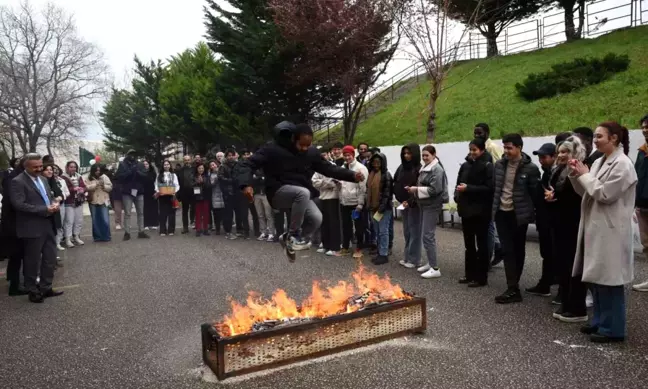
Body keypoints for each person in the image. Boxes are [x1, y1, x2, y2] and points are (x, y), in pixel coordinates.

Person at [238, 122, 363, 260]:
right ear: (293, 139)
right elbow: (247, 164)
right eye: (301, 145)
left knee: (317, 219)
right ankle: (294, 235)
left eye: (307, 145)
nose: (304, 148)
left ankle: (288, 241)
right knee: (303, 193)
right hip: (277, 192)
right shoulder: (272, 149)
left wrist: (352, 175)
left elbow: (329, 169)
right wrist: (245, 184)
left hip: (300, 194)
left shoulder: (311, 153)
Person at [569, 121, 636, 343]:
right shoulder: (599, 161)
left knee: (609, 280)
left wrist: (586, 176)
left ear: (614, 138)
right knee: (596, 279)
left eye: (599, 136)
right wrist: (576, 174)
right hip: (595, 227)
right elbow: (586, 191)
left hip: (611, 230)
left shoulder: (623, 164)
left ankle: (613, 328)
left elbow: (605, 194)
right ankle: (599, 320)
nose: (595, 140)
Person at [491, 133, 540, 304]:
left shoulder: (530, 168)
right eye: (504, 147)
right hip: (501, 213)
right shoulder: (499, 165)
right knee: (507, 250)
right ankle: (512, 287)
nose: (506, 151)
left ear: (519, 147)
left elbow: (535, 195)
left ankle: (514, 285)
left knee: (518, 250)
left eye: (509, 148)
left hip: (519, 216)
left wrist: (535, 216)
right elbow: (495, 189)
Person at [544, 136, 587, 322]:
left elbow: (579, 196)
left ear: (575, 153)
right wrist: (553, 196)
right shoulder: (558, 170)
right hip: (559, 222)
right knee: (562, 263)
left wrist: (557, 197)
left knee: (573, 265)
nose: (561, 155)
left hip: (573, 223)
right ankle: (566, 301)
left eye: (566, 152)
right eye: (559, 151)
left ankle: (576, 306)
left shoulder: (578, 170)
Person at [10, 154, 63, 303]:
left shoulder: (44, 179)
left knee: (50, 258)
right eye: (36, 167)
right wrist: (44, 209)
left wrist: (54, 204)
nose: (40, 169)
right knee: (32, 261)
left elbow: (49, 196)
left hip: (47, 223)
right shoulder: (18, 182)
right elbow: (19, 205)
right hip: (31, 226)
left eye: (41, 166)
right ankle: (32, 290)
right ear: (26, 166)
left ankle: (46, 287)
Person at [455, 138, 494, 287]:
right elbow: (459, 183)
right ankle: (469, 274)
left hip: (481, 211)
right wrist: (457, 196)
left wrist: (468, 188)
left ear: (482, 150)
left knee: (482, 245)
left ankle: (481, 277)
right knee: (469, 245)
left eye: (475, 150)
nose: (472, 152)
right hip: (466, 210)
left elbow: (489, 188)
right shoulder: (465, 166)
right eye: (470, 149)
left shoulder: (488, 166)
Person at [407, 145, 449, 279]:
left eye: (427, 155)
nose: (424, 158)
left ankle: (435, 268)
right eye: (423, 155)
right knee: (427, 236)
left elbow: (434, 190)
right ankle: (431, 263)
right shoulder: (426, 167)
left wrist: (415, 190)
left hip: (432, 205)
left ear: (434, 155)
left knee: (428, 236)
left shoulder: (437, 169)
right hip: (425, 204)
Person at [526, 143, 557, 298]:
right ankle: (545, 283)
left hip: (554, 222)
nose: (541, 161)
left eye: (544, 157)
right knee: (547, 254)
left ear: (554, 156)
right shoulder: (545, 173)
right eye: (539, 157)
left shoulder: (556, 174)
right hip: (544, 220)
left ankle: (556, 288)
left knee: (556, 255)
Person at [473, 122, 504, 267]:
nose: (477, 136)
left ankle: (489, 256)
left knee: (490, 226)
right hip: (480, 192)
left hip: (491, 191)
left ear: (487, 133)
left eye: (480, 133)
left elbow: (499, 167)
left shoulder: (492, 148)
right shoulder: (477, 148)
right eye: (475, 133)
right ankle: (496, 248)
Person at [394, 143, 422, 268]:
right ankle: (407, 257)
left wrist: (410, 201)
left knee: (415, 231)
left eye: (409, 153)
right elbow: (396, 182)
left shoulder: (419, 168)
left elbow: (419, 187)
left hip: (414, 204)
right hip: (403, 204)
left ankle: (414, 259)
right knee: (407, 231)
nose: (406, 156)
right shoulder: (401, 167)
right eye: (404, 153)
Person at [1, 157, 26, 296]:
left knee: (14, 256)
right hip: (14, 223)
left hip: (11, 222)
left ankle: (12, 279)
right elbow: (15, 203)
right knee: (17, 255)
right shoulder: (15, 180)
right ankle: (15, 287)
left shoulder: (12, 177)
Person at [339, 145, 369, 258]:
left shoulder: (361, 168)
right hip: (344, 202)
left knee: (359, 226)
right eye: (345, 155)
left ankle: (359, 248)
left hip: (356, 203)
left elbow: (363, 188)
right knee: (346, 226)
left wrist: (360, 204)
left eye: (349, 155)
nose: (347, 157)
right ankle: (345, 247)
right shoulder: (342, 168)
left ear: (353, 155)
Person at [312, 150, 341, 256]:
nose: (324, 157)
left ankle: (335, 247)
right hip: (322, 197)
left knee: (333, 223)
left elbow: (335, 182)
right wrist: (326, 183)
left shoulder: (333, 166)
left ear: (329, 155)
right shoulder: (318, 169)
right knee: (324, 223)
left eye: (325, 155)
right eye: (322, 156)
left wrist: (323, 183)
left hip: (333, 198)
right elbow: (314, 182)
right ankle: (326, 245)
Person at [366, 153, 393, 265]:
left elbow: (387, 194)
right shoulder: (371, 174)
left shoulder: (386, 175)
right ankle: (380, 251)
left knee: (383, 231)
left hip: (383, 208)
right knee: (377, 231)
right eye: (374, 162)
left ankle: (383, 254)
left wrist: (381, 209)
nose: (376, 164)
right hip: (373, 207)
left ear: (383, 163)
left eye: (378, 162)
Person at [115, 150, 150, 240]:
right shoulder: (122, 164)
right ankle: (127, 233)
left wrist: (138, 172)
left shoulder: (140, 164)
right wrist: (130, 172)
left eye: (134, 154)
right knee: (127, 213)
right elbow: (119, 177)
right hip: (127, 192)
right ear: (127, 155)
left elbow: (146, 176)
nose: (132, 156)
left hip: (139, 191)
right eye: (130, 154)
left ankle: (141, 231)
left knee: (141, 213)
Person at [633, 114, 648, 292]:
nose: (645, 130)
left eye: (647, 127)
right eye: (643, 127)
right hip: (643, 205)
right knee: (646, 244)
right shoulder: (641, 151)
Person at [220, 148, 247, 239]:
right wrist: (231, 181)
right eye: (229, 155)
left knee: (239, 212)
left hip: (238, 191)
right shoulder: (223, 166)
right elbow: (221, 177)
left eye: (232, 155)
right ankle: (228, 231)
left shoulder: (237, 165)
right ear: (226, 156)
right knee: (228, 213)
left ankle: (239, 229)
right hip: (228, 192)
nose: (230, 157)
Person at [62, 161, 86, 248]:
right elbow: (64, 188)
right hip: (69, 202)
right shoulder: (63, 177)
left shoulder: (79, 176)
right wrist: (74, 189)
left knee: (78, 220)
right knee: (69, 221)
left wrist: (82, 189)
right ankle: (68, 238)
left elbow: (83, 186)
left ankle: (76, 236)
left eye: (74, 167)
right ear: (67, 167)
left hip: (79, 200)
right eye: (71, 167)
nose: (73, 169)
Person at [86, 164, 113, 242]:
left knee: (105, 219)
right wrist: (95, 185)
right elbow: (86, 187)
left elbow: (110, 187)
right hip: (93, 201)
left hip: (103, 200)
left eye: (99, 170)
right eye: (96, 170)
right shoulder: (88, 177)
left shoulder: (104, 177)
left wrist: (104, 186)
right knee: (95, 220)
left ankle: (106, 236)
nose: (98, 172)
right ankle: (97, 237)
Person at [41, 165, 65, 255]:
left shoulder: (53, 181)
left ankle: (53, 255)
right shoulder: (41, 182)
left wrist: (59, 198)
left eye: (51, 170)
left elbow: (60, 194)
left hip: (55, 210)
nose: (50, 171)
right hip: (45, 212)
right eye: (47, 170)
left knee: (55, 231)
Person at [155, 160, 180, 236]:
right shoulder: (159, 174)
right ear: (163, 166)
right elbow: (156, 184)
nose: (166, 166)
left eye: (167, 164)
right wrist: (158, 191)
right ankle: (162, 230)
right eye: (165, 164)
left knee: (171, 213)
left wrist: (174, 192)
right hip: (162, 196)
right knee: (162, 213)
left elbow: (177, 185)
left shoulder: (173, 175)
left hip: (171, 196)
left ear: (170, 165)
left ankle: (171, 230)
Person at [240, 149, 260, 237]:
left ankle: (257, 231)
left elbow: (259, 176)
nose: (246, 156)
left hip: (253, 192)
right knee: (244, 213)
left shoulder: (255, 165)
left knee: (255, 213)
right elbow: (236, 177)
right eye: (244, 154)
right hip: (243, 192)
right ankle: (246, 231)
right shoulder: (239, 165)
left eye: (247, 154)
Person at [252, 167, 275, 241]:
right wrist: (260, 178)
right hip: (257, 194)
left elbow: (267, 181)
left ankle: (271, 233)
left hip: (266, 194)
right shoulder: (254, 169)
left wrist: (258, 178)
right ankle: (263, 232)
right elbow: (252, 181)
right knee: (260, 214)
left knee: (268, 214)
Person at [52, 165, 70, 251]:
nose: (55, 171)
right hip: (51, 205)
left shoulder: (62, 180)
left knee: (60, 224)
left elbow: (67, 192)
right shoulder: (46, 180)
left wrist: (62, 197)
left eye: (57, 170)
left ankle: (58, 242)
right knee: (52, 225)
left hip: (61, 204)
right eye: (53, 170)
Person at [177, 155, 195, 234]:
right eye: (185, 160)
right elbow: (178, 183)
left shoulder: (194, 169)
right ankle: (185, 227)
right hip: (184, 193)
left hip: (193, 192)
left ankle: (194, 223)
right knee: (184, 211)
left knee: (194, 209)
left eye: (188, 160)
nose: (187, 161)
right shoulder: (180, 170)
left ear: (190, 160)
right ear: (183, 161)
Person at [192, 163, 211, 236]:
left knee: (206, 214)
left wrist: (203, 182)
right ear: (197, 169)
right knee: (198, 214)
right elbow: (191, 185)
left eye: (202, 168)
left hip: (205, 197)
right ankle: (198, 229)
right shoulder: (194, 176)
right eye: (199, 168)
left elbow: (209, 186)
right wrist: (197, 182)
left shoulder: (207, 176)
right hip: (197, 198)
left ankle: (205, 229)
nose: (201, 170)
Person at [208, 160, 225, 235]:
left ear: (217, 165)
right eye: (211, 165)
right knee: (216, 214)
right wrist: (216, 179)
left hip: (223, 194)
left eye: (213, 164)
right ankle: (217, 229)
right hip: (215, 196)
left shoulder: (222, 171)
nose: (213, 166)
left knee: (224, 213)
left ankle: (226, 228)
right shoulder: (210, 175)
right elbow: (211, 185)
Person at [142, 160, 158, 230]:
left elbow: (156, 183)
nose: (145, 165)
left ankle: (154, 223)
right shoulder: (141, 173)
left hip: (153, 192)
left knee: (154, 208)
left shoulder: (153, 173)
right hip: (144, 192)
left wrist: (156, 191)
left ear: (149, 165)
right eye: (144, 164)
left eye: (147, 164)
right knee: (146, 208)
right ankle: (146, 224)